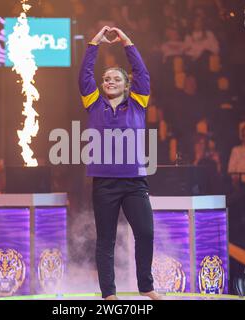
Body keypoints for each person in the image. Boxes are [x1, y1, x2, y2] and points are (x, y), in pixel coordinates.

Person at [79, 26, 160, 300]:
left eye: (116, 78)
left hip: (134, 181)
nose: (110, 81)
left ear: (127, 85)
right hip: (104, 183)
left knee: (146, 233)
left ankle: (146, 286)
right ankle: (109, 294)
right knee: (106, 241)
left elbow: (143, 73)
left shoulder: (137, 103)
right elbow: (85, 74)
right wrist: (94, 42)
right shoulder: (93, 104)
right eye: (106, 78)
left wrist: (126, 41)